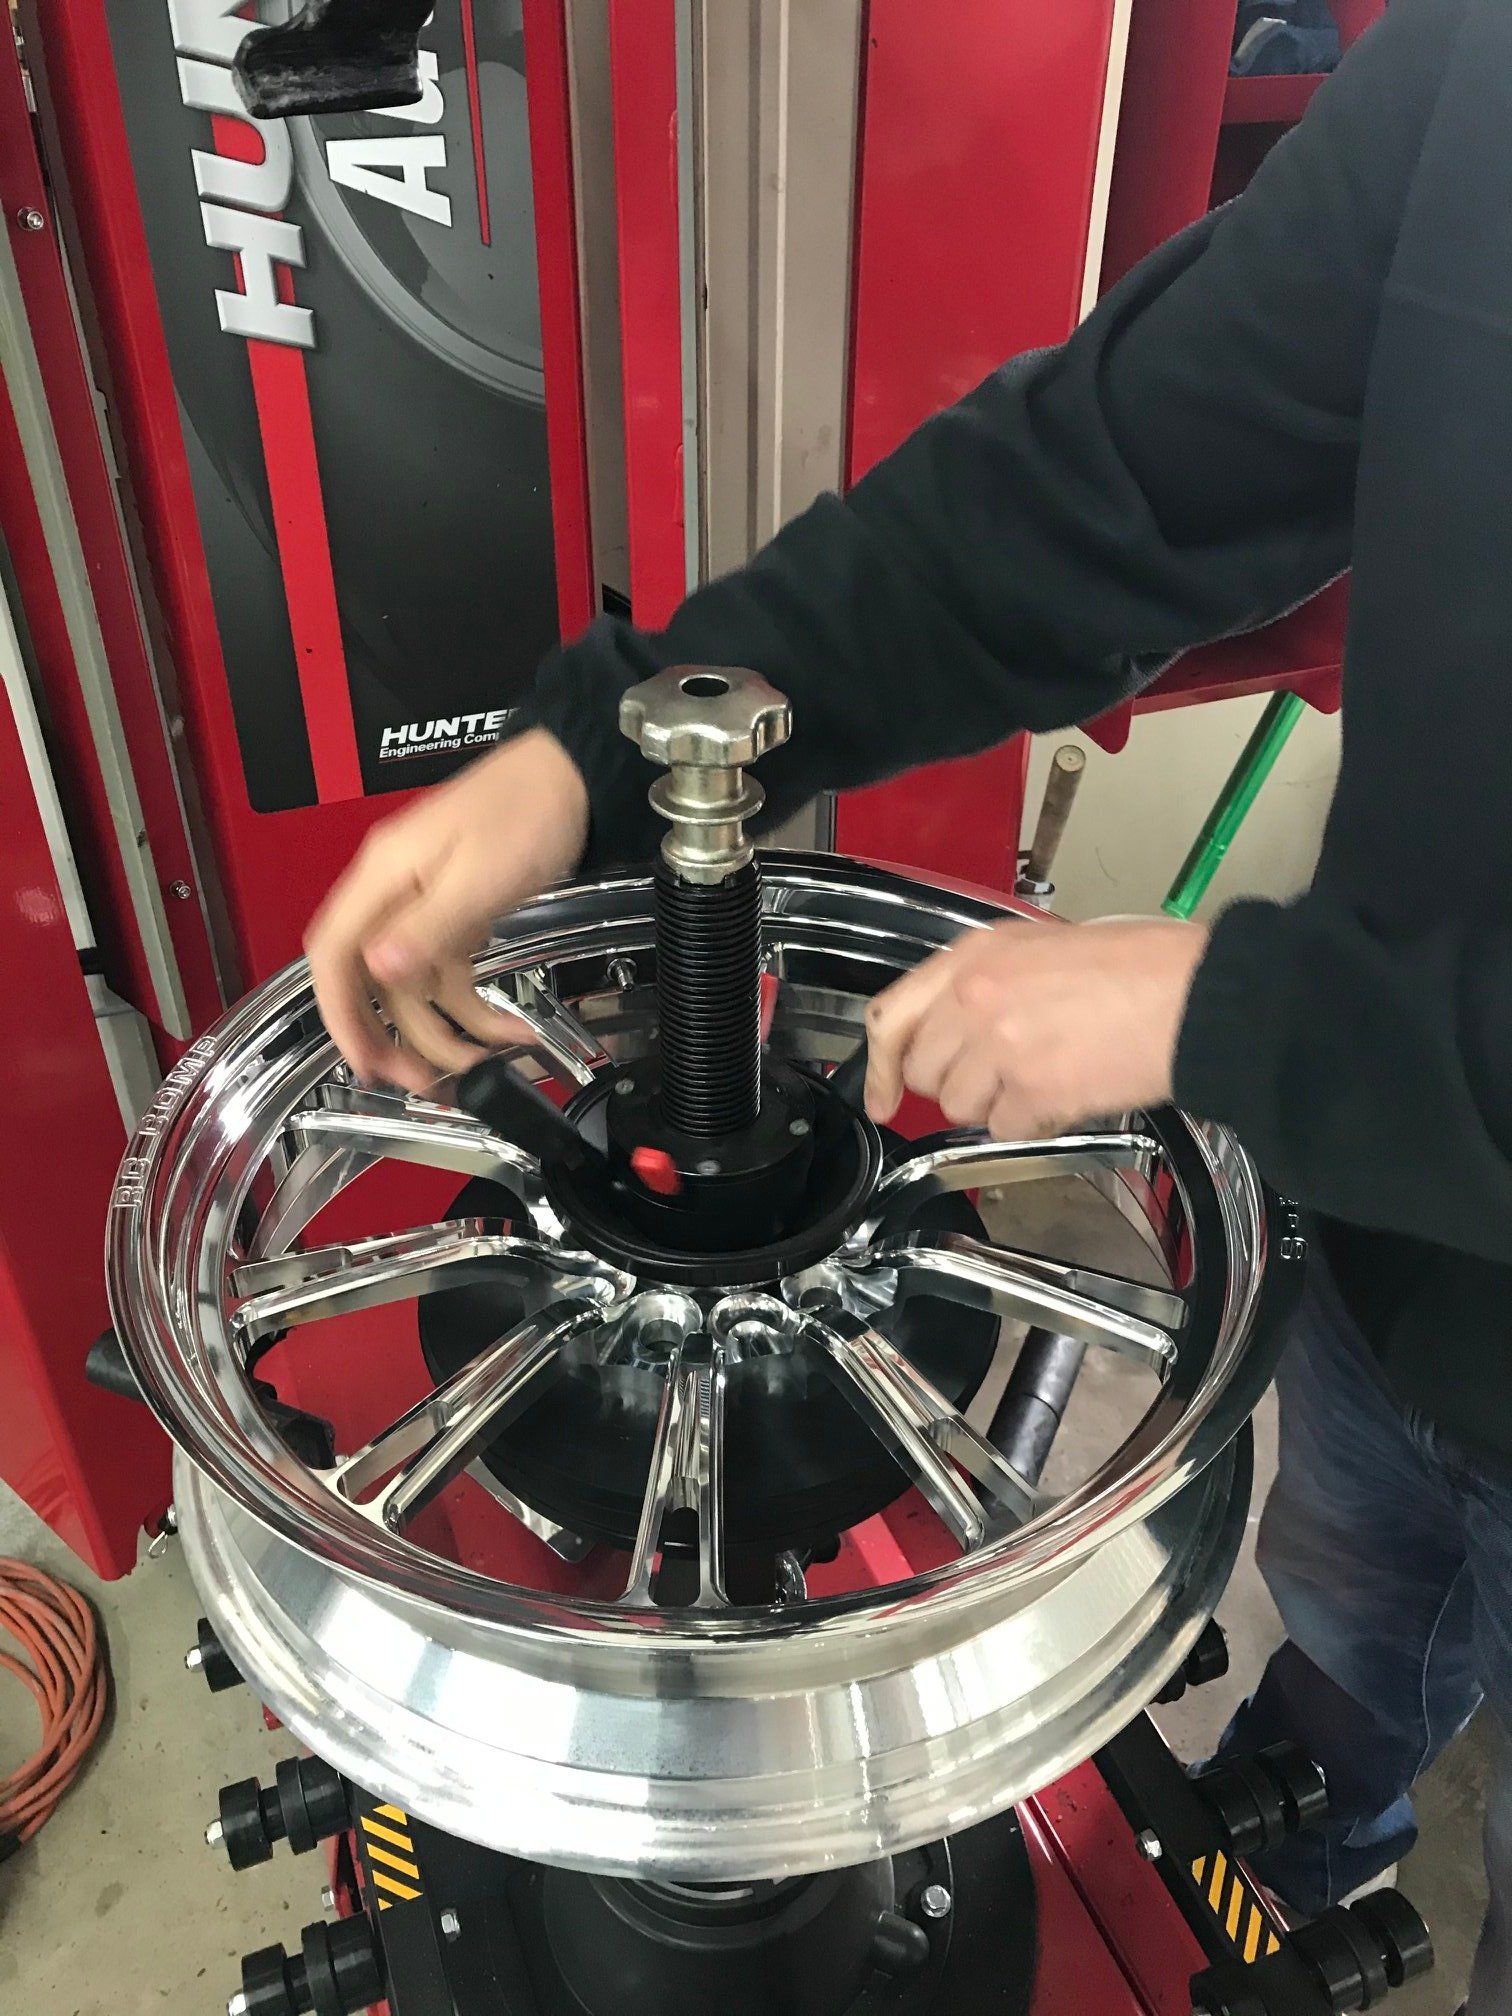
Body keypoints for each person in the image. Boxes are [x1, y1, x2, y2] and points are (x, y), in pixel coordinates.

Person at [307, 1, 1511, 2004]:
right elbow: (1105, 476)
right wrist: (602, 751)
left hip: (1363, 1114)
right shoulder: (1484, 74)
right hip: (1396, 1263)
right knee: (1367, 1595)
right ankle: (1333, 1800)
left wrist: (1239, 1020)